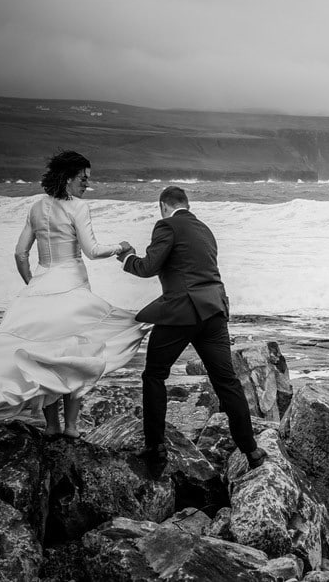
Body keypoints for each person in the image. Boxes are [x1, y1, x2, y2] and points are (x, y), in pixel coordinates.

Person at [0, 150, 147, 473]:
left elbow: (19, 253)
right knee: (75, 351)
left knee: (44, 353)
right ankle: (71, 427)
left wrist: (33, 285)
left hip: (40, 285)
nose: (87, 184)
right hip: (71, 286)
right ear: (67, 178)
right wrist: (122, 247)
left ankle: (51, 425)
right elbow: (92, 250)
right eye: (83, 178)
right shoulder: (78, 207)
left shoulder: (36, 207)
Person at [119, 185, 265, 470]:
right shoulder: (205, 230)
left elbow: (148, 267)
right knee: (227, 382)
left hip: (182, 312)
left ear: (163, 206)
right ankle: (252, 450)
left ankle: (155, 447)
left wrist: (127, 258)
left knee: (154, 374)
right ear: (187, 204)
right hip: (215, 311)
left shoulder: (167, 225)